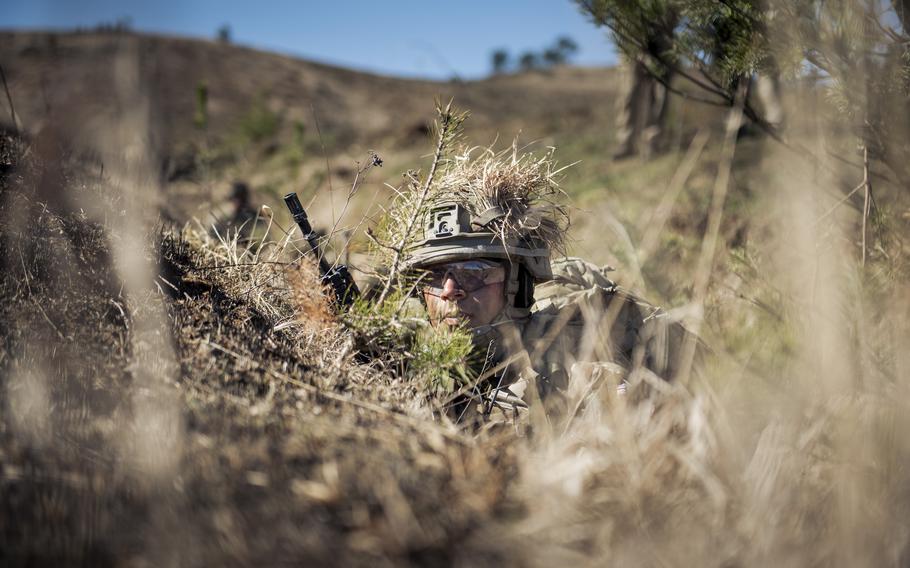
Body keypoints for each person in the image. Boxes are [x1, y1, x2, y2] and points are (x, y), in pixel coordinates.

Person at [397, 149, 692, 426]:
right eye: (434, 276)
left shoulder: (577, 367)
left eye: (473, 272)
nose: (449, 290)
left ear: (519, 285)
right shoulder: (403, 360)